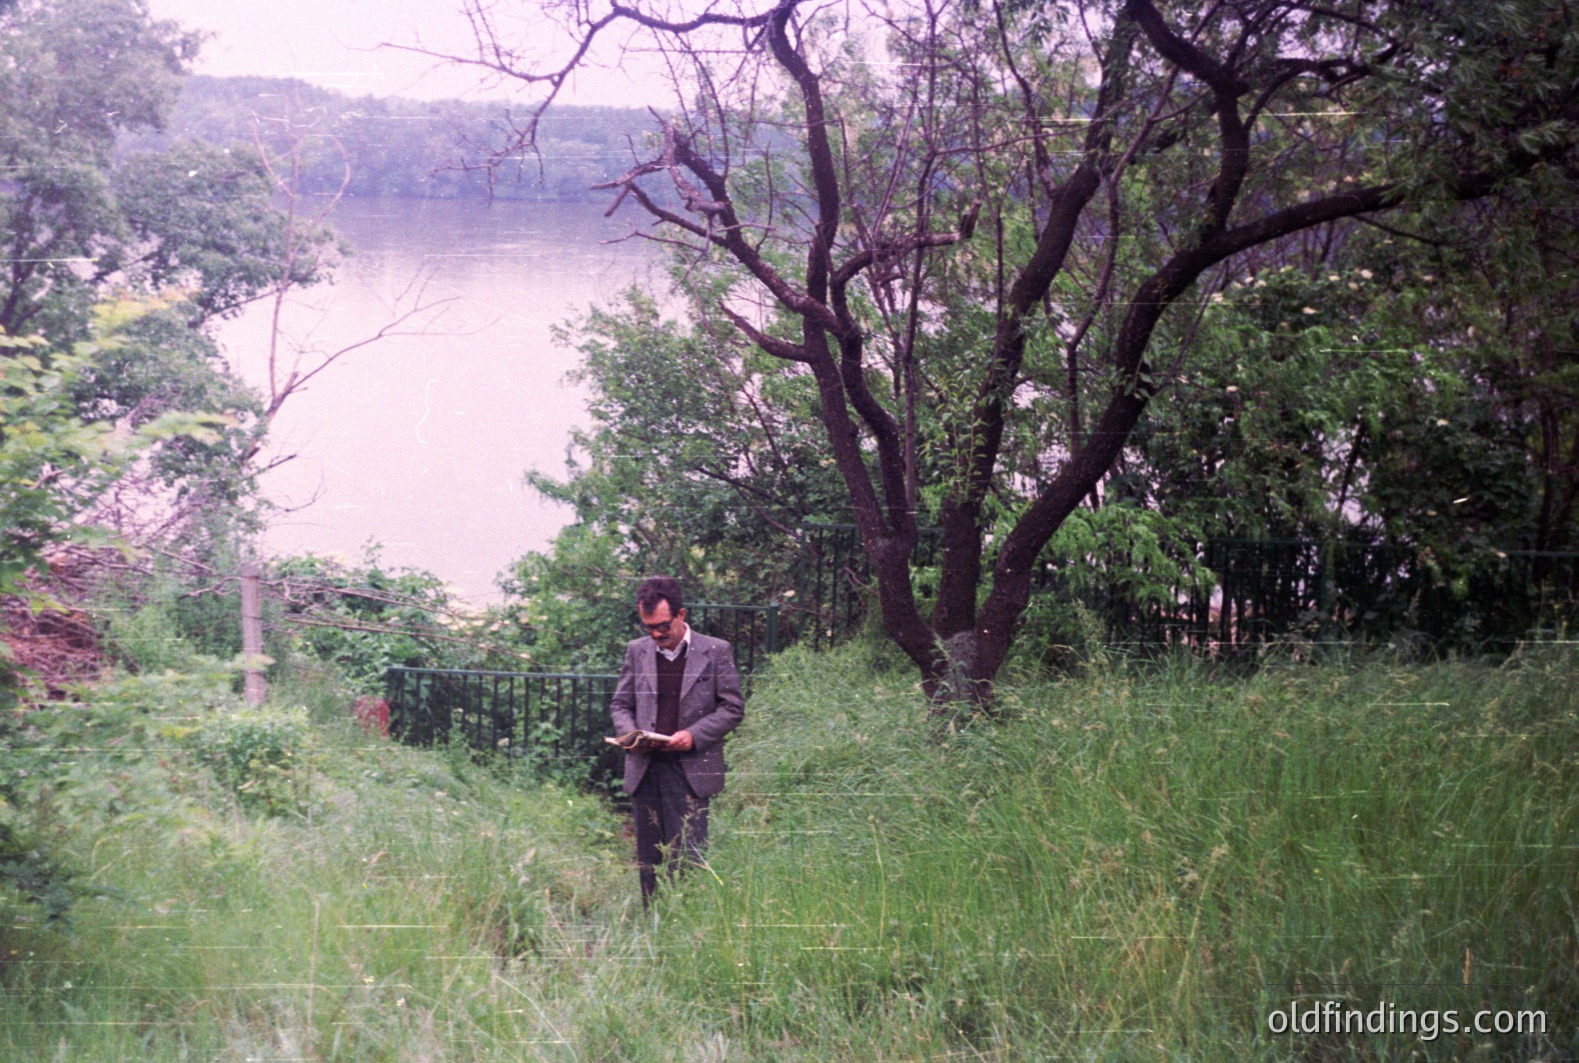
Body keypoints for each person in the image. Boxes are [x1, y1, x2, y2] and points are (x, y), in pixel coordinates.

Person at [609, 575, 745, 904]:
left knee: (688, 859)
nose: (655, 634)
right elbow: (620, 705)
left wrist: (694, 735)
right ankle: (652, 929)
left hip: (691, 772)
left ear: (681, 615)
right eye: (648, 627)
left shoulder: (716, 651)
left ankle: (687, 931)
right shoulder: (636, 652)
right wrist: (630, 734)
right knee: (649, 861)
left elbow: (733, 707)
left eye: (663, 626)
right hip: (646, 768)